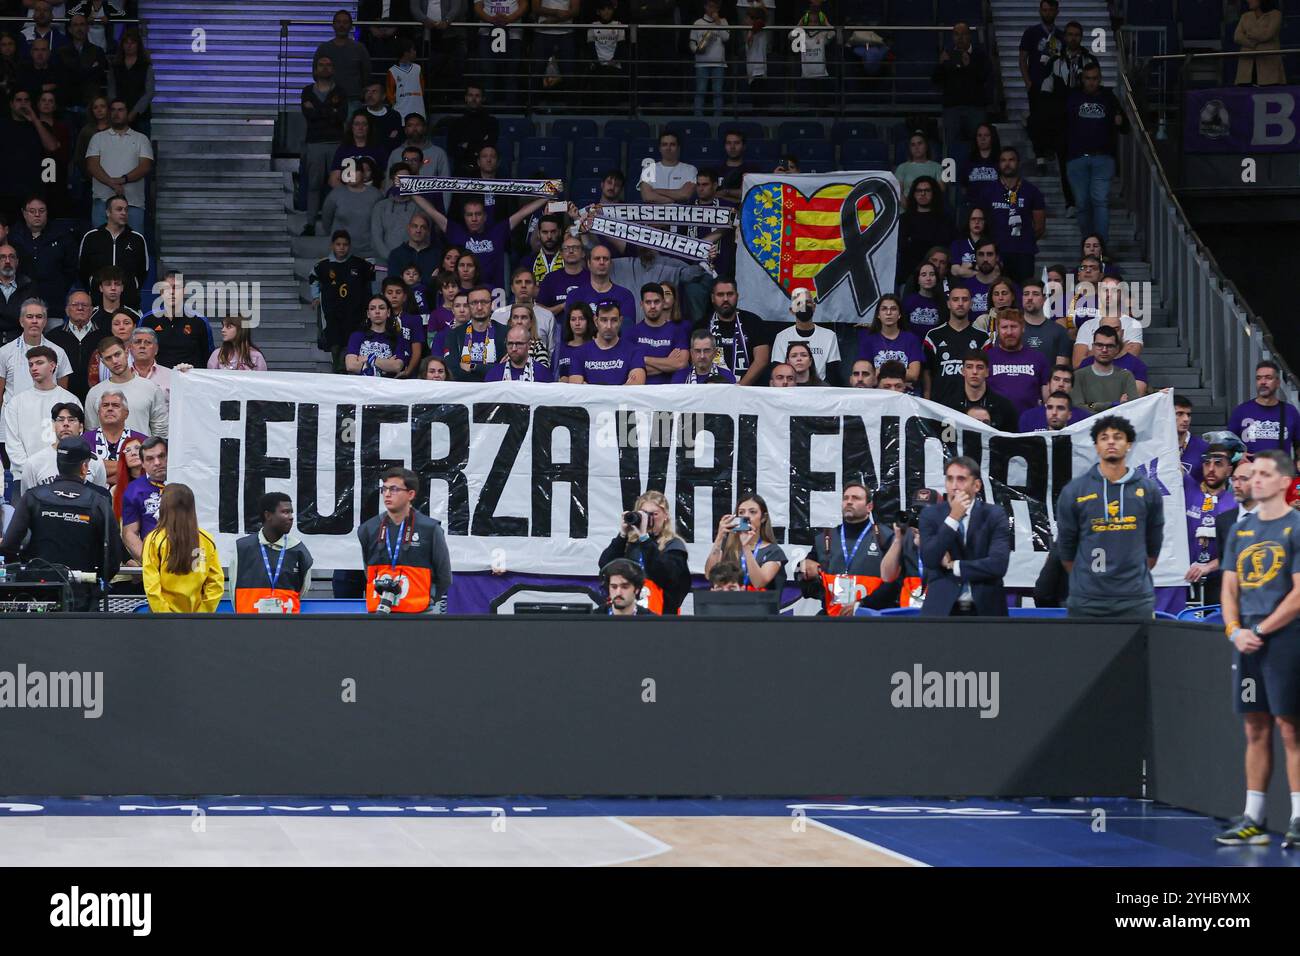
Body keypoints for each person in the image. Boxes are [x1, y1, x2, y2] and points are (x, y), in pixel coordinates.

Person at [1217, 449, 1300, 849]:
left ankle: (1299, 818)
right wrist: (1234, 630)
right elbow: (1229, 586)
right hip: (1248, 639)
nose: (1256, 480)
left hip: (1285, 637)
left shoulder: (1297, 526)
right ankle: (1253, 815)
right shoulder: (1240, 529)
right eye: (1254, 475)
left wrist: (1262, 629)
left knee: (1290, 727)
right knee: (1254, 725)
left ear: (1285, 482)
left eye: (1266, 474)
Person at [1055, 414, 1165, 618]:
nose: (1111, 441)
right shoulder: (1075, 490)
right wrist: (1089, 583)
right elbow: (1066, 548)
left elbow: (1153, 546)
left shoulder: (1148, 490)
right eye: (1104, 438)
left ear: (1129, 444)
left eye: (1118, 436)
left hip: (1135, 599)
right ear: (1096, 446)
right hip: (1087, 600)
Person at [0, 436, 120, 610]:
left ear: (59, 464)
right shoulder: (99, 502)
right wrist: (95, 580)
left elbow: (9, 545)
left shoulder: (33, 497)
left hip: (38, 594)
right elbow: (113, 557)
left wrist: (27, 573)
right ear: (85, 467)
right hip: (82, 596)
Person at [918, 457, 1010, 617]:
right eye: (949, 479)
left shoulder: (994, 514)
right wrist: (953, 518)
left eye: (961, 479)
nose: (954, 486)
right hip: (942, 609)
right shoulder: (930, 515)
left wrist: (954, 566)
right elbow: (930, 559)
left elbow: (998, 565)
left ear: (976, 485)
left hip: (986, 609)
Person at [357, 466, 452, 614]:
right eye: (384, 489)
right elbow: (368, 572)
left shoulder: (430, 529)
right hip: (378, 611)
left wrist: (430, 599)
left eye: (394, 489)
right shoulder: (368, 529)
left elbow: (444, 576)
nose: (387, 494)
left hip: (420, 612)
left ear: (411, 494)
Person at [797, 482, 899, 616]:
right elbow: (804, 579)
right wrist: (803, 568)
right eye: (846, 498)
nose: (849, 502)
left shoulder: (885, 537)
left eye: (856, 498)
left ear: (869, 506)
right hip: (833, 618)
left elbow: (895, 582)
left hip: (873, 618)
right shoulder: (825, 538)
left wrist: (862, 605)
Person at [596, 490, 689, 614]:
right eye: (644, 514)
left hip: (660, 613)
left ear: (665, 515)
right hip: (629, 611)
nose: (649, 519)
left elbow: (666, 576)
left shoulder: (674, 545)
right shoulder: (631, 543)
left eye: (654, 514)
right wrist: (623, 535)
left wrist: (645, 538)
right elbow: (605, 565)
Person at [1065, 63, 1127, 245]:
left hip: (1103, 158)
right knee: (1082, 204)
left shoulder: (1109, 97)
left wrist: (1119, 121)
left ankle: (1101, 247)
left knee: (1100, 201)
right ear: (1082, 79)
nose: (1091, 82)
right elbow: (1060, 124)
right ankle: (1088, 245)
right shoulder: (1072, 97)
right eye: (1088, 78)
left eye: (1095, 78)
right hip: (1076, 158)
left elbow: (1125, 128)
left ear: (1100, 79)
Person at [3, 345, 80, 492]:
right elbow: (13, 445)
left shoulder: (70, 400)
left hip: (62, 476)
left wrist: (57, 470)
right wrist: (31, 470)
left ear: (52, 366)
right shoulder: (16, 402)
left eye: (39, 363)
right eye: (31, 364)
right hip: (24, 477)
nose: (33, 368)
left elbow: (75, 440)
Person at [141, 483, 224, 614]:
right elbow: (216, 584)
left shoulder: (153, 539)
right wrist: (202, 614)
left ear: (165, 506)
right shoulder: (206, 538)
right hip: (195, 620)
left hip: (163, 620)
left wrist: (165, 615)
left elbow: (151, 585)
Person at [228, 492, 314, 614]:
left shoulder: (298, 549)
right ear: (268, 515)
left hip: (287, 627)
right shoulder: (242, 548)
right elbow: (233, 588)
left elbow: (303, 590)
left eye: (291, 512)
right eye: (285, 512)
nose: (291, 517)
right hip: (248, 625)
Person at [1178, 443, 1238, 614]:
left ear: (1229, 470)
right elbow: (1168, 458)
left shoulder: (1234, 504)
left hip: (1218, 583)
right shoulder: (1188, 488)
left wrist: (1209, 567)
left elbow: (1236, 551)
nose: (1211, 469)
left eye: (1218, 464)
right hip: (1184, 580)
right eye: (1207, 463)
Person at [971, 147, 1046, 284]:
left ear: (1018, 163)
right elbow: (980, 221)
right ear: (998, 164)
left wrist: (1024, 240)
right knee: (998, 292)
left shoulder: (1032, 191)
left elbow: (1040, 227)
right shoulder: (988, 191)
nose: (1007, 163)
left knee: (1023, 291)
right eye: (1003, 160)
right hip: (997, 252)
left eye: (1011, 160)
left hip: (1024, 252)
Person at [83, 98, 152, 231]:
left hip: (133, 203)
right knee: (101, 247)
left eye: (120, 110)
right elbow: (92, 165)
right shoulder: (98, 138)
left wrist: (122, 180)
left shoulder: (141, 138)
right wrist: (112, 183)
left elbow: (145, 166)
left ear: (128, 113)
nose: (116, 113)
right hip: (103, 203)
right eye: (113, 110)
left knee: (133, 248)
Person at [313, 229, 374, 372]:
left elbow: (370, 281)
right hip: (332, 311)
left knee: (351, 341)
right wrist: (315, 296)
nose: (341, 247)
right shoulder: (323, 265)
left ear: (350, 246)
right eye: (338, 244)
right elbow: (313, 279)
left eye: (345, 244)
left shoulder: (359, 264)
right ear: (332, 245)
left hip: (354, 311)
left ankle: (347, 368)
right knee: (334, 342)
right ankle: (337, 368)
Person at [300, 55, 348, 237]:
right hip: (315, 143)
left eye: (329, 64)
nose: (325, 68)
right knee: (313, 184)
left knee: (338, 185)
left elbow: (341, 116)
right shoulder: (307, 91)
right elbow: (309, 116)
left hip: (336, 143)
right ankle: (310, 223)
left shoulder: (340, 92)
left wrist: (318, 110)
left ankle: (338, 224)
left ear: (333, 69)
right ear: (315, 69)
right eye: (322, 65)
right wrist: (330, 111)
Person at [84, 334, 167, 437]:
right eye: (108, 358)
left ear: (127, 353)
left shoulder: (151, 388)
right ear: (103, 362)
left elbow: (161, 431)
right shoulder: (95, 393)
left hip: (142, 451)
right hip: (107, 452)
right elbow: (91, 433)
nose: (114, 361)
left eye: (117, 354)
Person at [704, 494, 788, 593]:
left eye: (752, 512)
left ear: (763, 518)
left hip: (759, 606)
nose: (746, 516)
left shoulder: (773, 551)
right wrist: (719, 537)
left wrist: (746, 547)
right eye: (741, 512)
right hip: (729, 605)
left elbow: (759, 583)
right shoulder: (728, 547)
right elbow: (709, 574)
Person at [76, 194, 147, 308]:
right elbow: (82, 269)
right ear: (108, 213)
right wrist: (93, 285)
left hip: (129, 303)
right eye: (119, 209)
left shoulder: (137, 239)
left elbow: (143, 271)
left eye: (126, 210)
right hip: (97, 303)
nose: (124, 213)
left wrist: (131, 288)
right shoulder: (91, 237)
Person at [932, 21, 990, 159]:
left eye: (963, 34)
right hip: (952, 108)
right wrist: (941, 64)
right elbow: (935, 80)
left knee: (979, 144)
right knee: (950, 145)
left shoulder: (980, 54)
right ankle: (950, 177)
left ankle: (979, 173)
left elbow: (986, 78)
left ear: (970, 36)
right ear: (952, 37)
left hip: (975, 107)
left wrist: (969, 66)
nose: (960, 37)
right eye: (956, 34)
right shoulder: (947, 54)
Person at [696, 277, 769, 385]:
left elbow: (761, 360)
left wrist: (739, 388)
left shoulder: (754, 322)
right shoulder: (701, 325)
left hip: (746, 391)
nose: (725, 299)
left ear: (737, 296)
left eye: (730, 294)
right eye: (720, 295)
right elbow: (695, 359)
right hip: (711, 390)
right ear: (712, 298)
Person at [1019, 0, 1064, 174]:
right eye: (1044, 10)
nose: (1047, 13)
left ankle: (1051, 150)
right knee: (1037, 120)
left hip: (1057, 87)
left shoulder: (1061, 35)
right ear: (1040, 11)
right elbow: (1022, 59)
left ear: (1056, 11)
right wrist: (1028, 82)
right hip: (1036, 84)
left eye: (1050, 10)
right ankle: (1040, 157)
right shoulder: (1031, 33)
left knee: (1054, 119)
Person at [923, 283, 987, 403]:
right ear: (948, 304)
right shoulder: (933, 336)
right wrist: (927, 400)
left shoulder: (982, 337)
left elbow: (987, 373)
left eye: (965, 299)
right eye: (955, 299)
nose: (960, 303)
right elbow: (927, 372)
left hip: (973, 406)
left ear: (971, 304)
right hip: (941, 404)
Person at [23, 401, 107, 488]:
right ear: (53, 425)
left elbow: (100, 496)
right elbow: (29, 499)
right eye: (60, 420)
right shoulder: (34, 463)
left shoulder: (95, 462)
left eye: (71, 420)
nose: (66, 424)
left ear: (81, 427)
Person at [986, 310, 1051, 418]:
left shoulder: (1038, 358)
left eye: (1014, 326)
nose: (1009, 332)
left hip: (1030, 423)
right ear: (998, 330)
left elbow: (1047, 398)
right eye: (1004, 327)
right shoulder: (987, 358)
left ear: (1023, 328)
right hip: (995, 424)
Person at [1230, 360, 1300, 457]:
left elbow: (1298, 445)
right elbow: (1228, 445)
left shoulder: (1290, 411)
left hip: (1281, 470)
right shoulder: (1241, 411)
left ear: (1278, 383)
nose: (1262, 382)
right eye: (1258, 378)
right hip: (1250, 469)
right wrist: (1238, 456)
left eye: (1268, 378)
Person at [568, 301, 645, 385]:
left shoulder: (634, 351)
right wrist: (622, 389)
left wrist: (589, 389)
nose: (609, 326)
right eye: (604, 320)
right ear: (596, 321)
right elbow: (576, 389)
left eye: (614, 320)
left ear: (620, 321)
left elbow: (636, 387)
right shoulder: (579, 353)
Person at [941, 350, 1017, 432]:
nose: (974, 372)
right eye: (969, 367)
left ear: (987, 372)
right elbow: (947, 441)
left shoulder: (1004, 407)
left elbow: (1011, 442)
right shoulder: (948, 407)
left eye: (980, 367)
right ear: (963, 371)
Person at [46, 288, 101, 400]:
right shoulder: (52, 337)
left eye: (84, 305)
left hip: (97, 397)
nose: (80, 308)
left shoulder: (104, 336)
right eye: (75, 304)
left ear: (91, 310)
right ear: (67, 310)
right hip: (61, 397)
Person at [82, 386, 143, 487]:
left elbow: (143, 474)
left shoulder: (142, 441)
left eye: (115, 405)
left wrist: (99, 468)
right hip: (92, 500)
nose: (110, 408)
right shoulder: (84, 441)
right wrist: (129, 466)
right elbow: (82, 472)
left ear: (126, 414)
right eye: (105, 405)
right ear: (98, 412)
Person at [443, 285, 506, 381]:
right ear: (468, 306)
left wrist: (473, 367)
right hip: (463, 390)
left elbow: (504, 370)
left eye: (484, 302)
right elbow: (452, 369)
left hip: (496, 390)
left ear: (491, 304)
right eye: (474, 303)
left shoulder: (505, 332)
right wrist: (489, 369)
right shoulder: (454, 334)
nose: (479, 307)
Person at [314, 9, 371, 112]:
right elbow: (315, 73)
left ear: (351, 26)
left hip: (353, 99)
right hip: (327, 99)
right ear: (333, 25)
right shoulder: (324, 48)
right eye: (338, 22)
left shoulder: (359, 48)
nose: (341, 25)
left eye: (345, 22)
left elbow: (366, 73)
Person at [1071, 325, 1137, 414]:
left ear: (1117, 349)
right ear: (1093, 347)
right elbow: (1078, 408)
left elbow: (1133, 408)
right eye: (1099, 345)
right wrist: (1114, 405)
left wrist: (1092, 405)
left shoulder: (1126, 376)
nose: (1104, 350)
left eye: (1109, 346)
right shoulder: (1078, 376)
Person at [121, 434, 166, 564]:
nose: (157, 462)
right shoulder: (134, 490)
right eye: (150, 459)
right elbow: (129, 534)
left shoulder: (185, 481)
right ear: (143, 464)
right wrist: (150, 561)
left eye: (161, 456)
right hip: (154, 559)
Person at [771, 300, 841, 383]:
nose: (803, 306)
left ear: (814, 307)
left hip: (820, 389)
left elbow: (833, 373)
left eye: (807, 302)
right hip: (790, 389)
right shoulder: (782, 336)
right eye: (799, 303)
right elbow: (778, 371)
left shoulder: (829, 335)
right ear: (792, 310)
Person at [634, 282, 688, 384]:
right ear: (641, 304)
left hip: (670, 393)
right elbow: (630, 368)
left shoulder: (678, 331)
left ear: (663, 302)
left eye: (656, 301)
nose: (653, 306)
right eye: (648, 302)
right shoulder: (631, 333)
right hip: (641, 393)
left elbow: (681, 363)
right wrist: (668, 363)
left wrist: (644, 359)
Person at [346, 295, 410, 377]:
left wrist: (369, 359)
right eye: (372, 308)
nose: (377, 312)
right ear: (368, 314)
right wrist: (385, 366)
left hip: (386, 387)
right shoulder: (356, 336)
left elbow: (397, 366)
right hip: (360, 387)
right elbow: (351, 365)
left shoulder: (397, 338)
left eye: (381, 308)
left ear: (388, 312)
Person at [1233, 0, 1286, 88]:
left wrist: (1248, 33)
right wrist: (1252, 44)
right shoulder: (1245, 16)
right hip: (1247, 64)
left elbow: (1267, 35)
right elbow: (1237, 37)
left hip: (1268, 65)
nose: (1248, 1)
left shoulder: (1275, 14)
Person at [1020, 277, 1071, 368]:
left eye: (1035, 294)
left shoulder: (1059, 331)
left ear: (1044, 299)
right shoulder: (1010, 329)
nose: (1030, 298)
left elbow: (1060, 371)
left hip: (1048, 381)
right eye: (1026, 294)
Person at [688, 0, 727, 117]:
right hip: (701, 63)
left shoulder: (723, 22)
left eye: (715, 7)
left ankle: (718, 117)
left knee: (718, 92)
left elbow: (726, 38)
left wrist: (718, 22)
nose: (713, 9)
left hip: (719, 63)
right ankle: (698, 117)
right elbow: (692, 42)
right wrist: (697, 50)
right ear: (705, 7)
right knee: (700, 90)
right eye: (710, 6)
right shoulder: (697, 23)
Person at [639, 131, 697, 206]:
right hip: (655, 215)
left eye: (672, 144)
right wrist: (676, 198)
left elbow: (685, 195)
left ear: (678, 148)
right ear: (660, 148)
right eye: (664, 144)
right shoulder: (649, 169)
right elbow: (647, 197)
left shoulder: (690, 169)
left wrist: (656, 191)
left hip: (681, 215)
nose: (668, 148)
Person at [485, 323, 554, 383]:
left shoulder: (543, 373)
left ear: (529, 345)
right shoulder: (495, 373)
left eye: (519, 344)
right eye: (510, 344)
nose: (514, 348)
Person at [670, 329, 736, 384]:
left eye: (707, 350)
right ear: (691, 353)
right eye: (698, 351)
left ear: (715, 353)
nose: (702, 356)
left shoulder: (727, 376)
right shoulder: (679, 377)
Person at [894, 132, 944, 203]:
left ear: (926, 146)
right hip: (907, 208)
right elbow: (898, 192)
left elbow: (940, 191)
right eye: (913, 145)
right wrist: (909, 208)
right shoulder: (902, 167)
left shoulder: (937, 167)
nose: (916, 147)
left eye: (920, 143)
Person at [901, 261, 947, 336]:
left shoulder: (942, 302)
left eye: (932, 274)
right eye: (923, 275)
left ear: (936, 278)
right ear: (918, 280)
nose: (928, 278)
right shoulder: (909, 301)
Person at [554, 300, 593, 382]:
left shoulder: (595, 347)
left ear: (589, 321)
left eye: (581, 319)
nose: (577, 323)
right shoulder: (560, 348)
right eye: (573, 319)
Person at [1019, 388, 1088, 432]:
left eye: (1060, 408)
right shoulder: (1036, 439)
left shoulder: (1077, 440)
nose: (1054, 413)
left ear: (1069, 415)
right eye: (1050, 407)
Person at [1175, 393, 1209, 482]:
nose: (1186, 419)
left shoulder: (1203, 448)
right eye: (1179, 414)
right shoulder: (1157, 447)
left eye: (1188, 414)